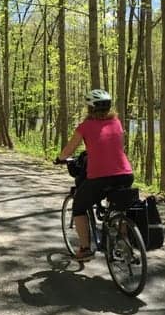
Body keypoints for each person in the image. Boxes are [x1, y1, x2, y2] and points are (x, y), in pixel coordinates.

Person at [56, 89, 133, 261]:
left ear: (90, 108)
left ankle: (84, 249)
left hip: (100, 177)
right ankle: (124, 240)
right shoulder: (117, 123)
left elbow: (69, 149)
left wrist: (60, 158)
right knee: (118, 207)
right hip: (126, 174)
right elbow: (117, 146)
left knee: (79, 207)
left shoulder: (85, 126)